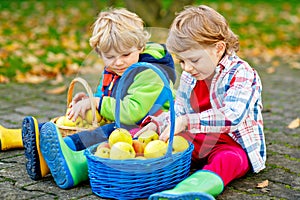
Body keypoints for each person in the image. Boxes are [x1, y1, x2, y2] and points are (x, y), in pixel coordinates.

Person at [21, 7, 176, 189]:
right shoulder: (116, 67)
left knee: (106, 136)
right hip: (124, 123)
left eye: (126, 54)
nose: (118, 62)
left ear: (140, 47)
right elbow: (105, 96)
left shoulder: (150, 71)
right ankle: (47, 159)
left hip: (151, 127)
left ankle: (71, 159)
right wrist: (89, 101)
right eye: (110, 57)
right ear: (99, 53)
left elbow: (133, 112)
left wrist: (97, 103)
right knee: (93, 129)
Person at [134, 5, 266, 200]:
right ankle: (94, 162)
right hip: (197, 138)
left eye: (193, 60)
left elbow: (232, 117)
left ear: (218, 48)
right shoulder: (191, 75)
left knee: (229, 160)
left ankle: (188, 190)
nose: (187, 68)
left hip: (230, 143)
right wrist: (157, 125)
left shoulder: (241, 73)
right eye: (182, 62)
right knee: (150, 137)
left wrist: (187, 121)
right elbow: (178, 113)